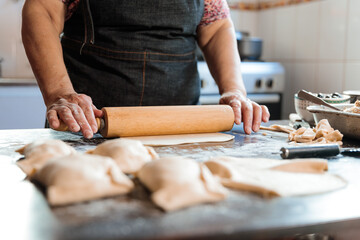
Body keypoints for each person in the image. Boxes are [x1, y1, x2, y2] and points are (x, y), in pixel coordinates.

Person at [22, 0, 270, 139]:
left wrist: (234, 90)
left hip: (177, 131)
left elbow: (216, 27)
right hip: (87, 127)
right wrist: (59, 92)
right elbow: (42, 9)